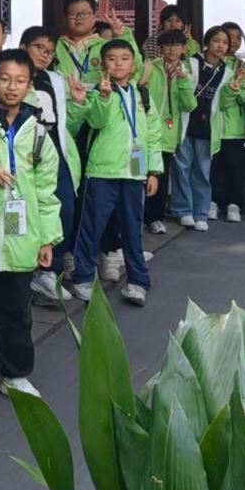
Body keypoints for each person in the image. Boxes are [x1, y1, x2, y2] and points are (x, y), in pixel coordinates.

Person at [0, 51, 61, 405]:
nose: (11, 86)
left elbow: (47, 192)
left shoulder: (39, 133)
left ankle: (15, 373)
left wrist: (47, 239)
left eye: (20, 80)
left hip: (23, 238)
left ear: (30, 85)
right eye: (4, 79)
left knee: (18, 311)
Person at [64, 41, 161, 305]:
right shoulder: (97, 91)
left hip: (134, 172)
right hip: (101, 172)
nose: (118, 63)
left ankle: (138, 281)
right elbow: (96, 121)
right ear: (103, 64)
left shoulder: (142, 95)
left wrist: (153, 170)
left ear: (134, 64)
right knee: (90, 228)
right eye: (112, 58)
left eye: (124, 58)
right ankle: (83, 278)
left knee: (132, 230)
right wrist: (105, 98)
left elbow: (153, 134)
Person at [18, 26, 80, 307]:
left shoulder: (54, 79)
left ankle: (49, 269)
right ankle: (30, 270)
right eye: (39, 48)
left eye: (50, 52)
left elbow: (67, 120)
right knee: (26, 210)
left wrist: (78, 103)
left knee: (63, 207)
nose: (45, 55)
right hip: (25, 153)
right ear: (23, 47)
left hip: (54, 150)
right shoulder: (14, 75)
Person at [173, 26, 245, 230]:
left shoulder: (228, 72)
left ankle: (201, 213)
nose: (220, 46)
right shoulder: (190, 64)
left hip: (208, 127)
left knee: (202, 171)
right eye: (216, 41)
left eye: (225, 42)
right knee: (182, 168)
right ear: (206, 43)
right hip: (186, 124)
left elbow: (222, 104)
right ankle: (183, 210)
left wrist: (232, 91)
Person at [139, 27, 197, 236]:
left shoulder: (186, 73)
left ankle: (155, 218)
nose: (172, 49)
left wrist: (182, 81)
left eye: (177, 45)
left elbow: (189, 105)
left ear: (183, 49)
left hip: (167, 136)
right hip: (142, 133)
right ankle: (137, 217)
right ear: (160, 48)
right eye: (167, 45)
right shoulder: (149, 68)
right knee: (137, 174)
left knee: (160, 179)